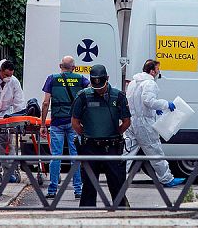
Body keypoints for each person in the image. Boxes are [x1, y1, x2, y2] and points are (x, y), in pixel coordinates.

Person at [71, 64, 131, 207]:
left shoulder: (118, 96)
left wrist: (115, 133)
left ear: (107, 79)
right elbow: (75, 122)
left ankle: (122, 213)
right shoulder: (83, 96)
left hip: (112, 146)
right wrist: (87, 134)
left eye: (101, 86)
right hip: (90, 146)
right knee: (89, 185)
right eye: (95, 87)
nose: (98, 90)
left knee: (117, 183)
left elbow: (127, 121)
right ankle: (87, 214)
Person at [124, 59, 185, 188]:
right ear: (152, 71)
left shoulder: (133, 83)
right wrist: (165, 104)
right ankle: (166, 179)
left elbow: (134, 101)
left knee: (127, 152)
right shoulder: (150, 83)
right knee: (154, 150)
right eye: (157, 69)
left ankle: (117, 176)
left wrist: (153, 109)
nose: (159, 72)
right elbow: (148, 101)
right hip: (144, 123)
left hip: (131, 122)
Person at [40, 55, 90, 199]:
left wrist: (43, 124)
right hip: (74, 122)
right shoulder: (81, 79)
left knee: (56, 156)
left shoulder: (52, 79)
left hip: (57, 122)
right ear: (73, 67)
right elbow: (90, 94)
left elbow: (45, 103)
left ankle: (52, 189)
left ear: (60, 66)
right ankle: (78, 190)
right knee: (75, 156)